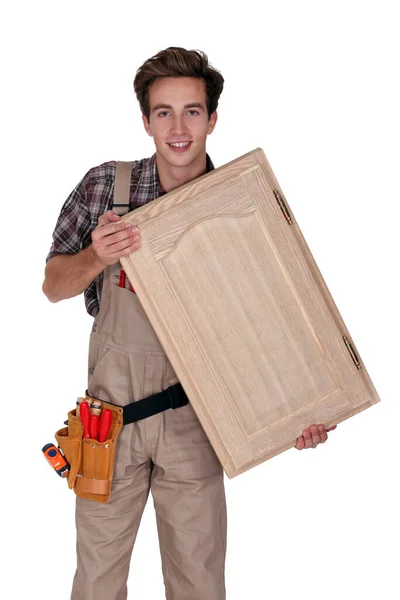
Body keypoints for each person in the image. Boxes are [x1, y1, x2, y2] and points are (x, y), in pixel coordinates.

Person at [42, 46, 336, 600]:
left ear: (213, 118)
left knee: (199, 584)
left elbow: (278, 322)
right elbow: (54, 285)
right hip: (109, 427)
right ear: (146, 120)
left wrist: (307, 410)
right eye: (164, 112)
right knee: (96, 585)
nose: (179, 128)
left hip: (198, 426)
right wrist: (97, 257)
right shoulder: (107, 187)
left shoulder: (239, 207)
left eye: (193, 111)